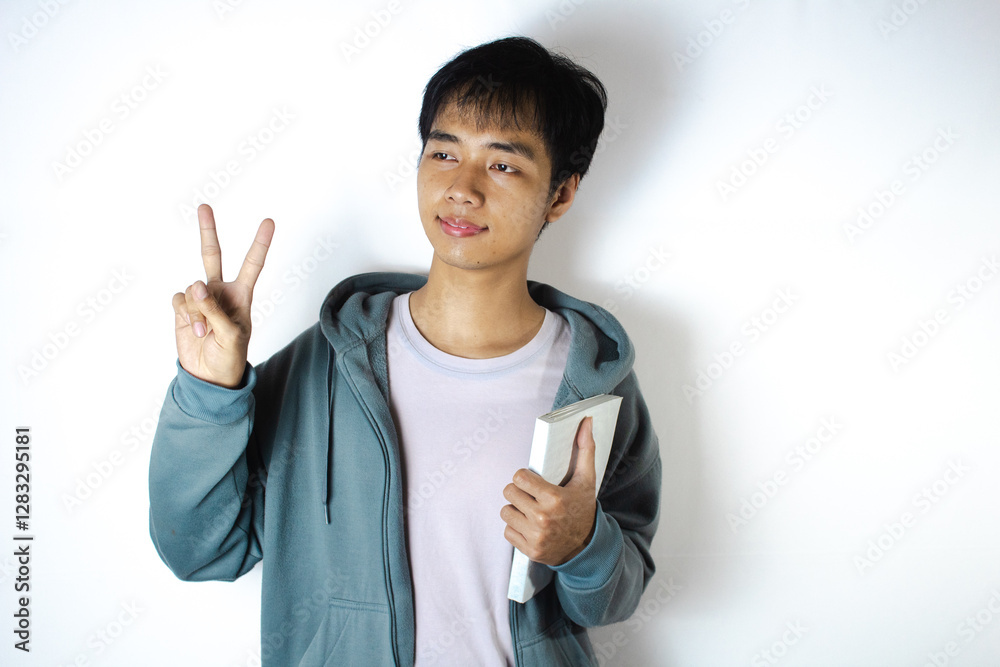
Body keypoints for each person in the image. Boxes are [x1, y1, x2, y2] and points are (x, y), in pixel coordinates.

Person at [148, 35, 661, 666]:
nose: (462, 188)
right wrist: (208, 394)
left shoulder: (593, 382)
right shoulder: (324, 367)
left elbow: (615, 596)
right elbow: (199, 551)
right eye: (443, 153)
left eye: (503, 165)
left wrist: (584, 546)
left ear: (560, 194)